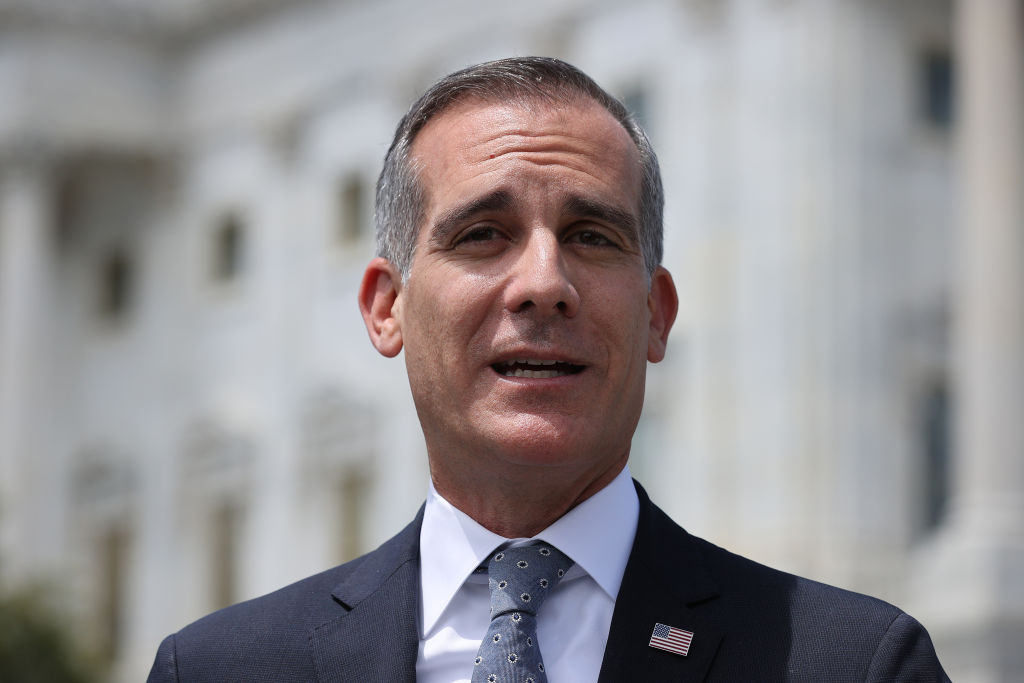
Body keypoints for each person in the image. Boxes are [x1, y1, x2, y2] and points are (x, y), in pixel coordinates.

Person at [147, 57, 949, 682]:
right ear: (387, 307)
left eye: (593, 237)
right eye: (483, 235)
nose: (543, 284)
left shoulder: (853, 663)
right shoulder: (221, 668)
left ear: (656, 314)